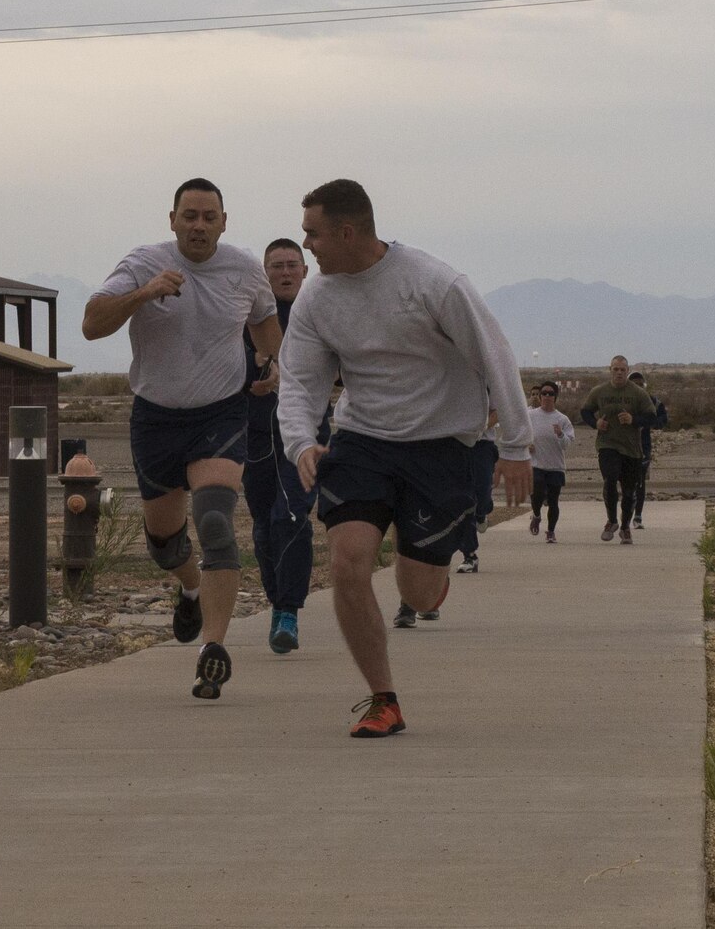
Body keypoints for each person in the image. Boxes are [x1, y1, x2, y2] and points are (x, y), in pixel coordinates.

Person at [277, 179, 531, 738]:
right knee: (347, 561)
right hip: (363, 441)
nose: (307, 247)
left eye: (312, 235)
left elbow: (496, 357)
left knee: (416, 589)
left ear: (346, 232)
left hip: (440, 448)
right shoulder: (318, 298)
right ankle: (382, 699)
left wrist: (514, 447)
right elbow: (298, 378)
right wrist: (301, 441)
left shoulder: (432, 283)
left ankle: (430, 575)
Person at [83, 177, 280, 700]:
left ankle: (212, 649)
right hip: (156, 419)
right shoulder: (144, 262)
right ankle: (190, 587)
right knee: (165, 544)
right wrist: (143, 294)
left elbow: (264, 322)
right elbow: (90, 324)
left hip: (221, 413)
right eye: (189, 215)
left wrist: (272, 359)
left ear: (223, 222)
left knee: (215, 521)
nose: (198, 225)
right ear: (172, 220)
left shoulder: (243, 268)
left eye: (208, 216)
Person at [241, 239, 331, 655]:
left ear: (305, 271)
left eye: (292, 264)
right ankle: (277, 602)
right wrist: (254, 384)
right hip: (257, 436)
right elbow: (227, 374)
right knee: (263, 526)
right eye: (276, 266)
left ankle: (290, 612)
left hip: (308, 436)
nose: (285, 272)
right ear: (265, 273)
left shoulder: (320, 315)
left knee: (292, 516)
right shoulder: (247, 319)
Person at [580, 356, 655, 544]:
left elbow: (652, 417)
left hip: (631, 449)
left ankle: (625, 527)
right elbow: (585, 411)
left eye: (622, 370)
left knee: (629, 492)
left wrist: (633, 420)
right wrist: (595, 423)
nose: (619, 373)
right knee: (610, 479)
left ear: (627, 371)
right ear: (610, 370)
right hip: (608, 444)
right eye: (616, 369)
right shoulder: (600, 391)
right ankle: (611, 520)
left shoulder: (638, 393)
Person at [452, 408, 499, 577]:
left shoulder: (488, 383)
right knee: (463, 499)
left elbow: (497, 412)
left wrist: (479, 427)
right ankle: (469, 555)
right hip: (457, 445)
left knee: (482, 494)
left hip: (483, 446)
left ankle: (482, 512)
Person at [526, 382, 574, 542]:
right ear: (539, 397)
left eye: (551, 394)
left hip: (555, 466)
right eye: (544, 393)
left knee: (553, 500)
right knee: (537, 490)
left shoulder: (562, 419)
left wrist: (560, 434)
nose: (547, 396)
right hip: (536, 464)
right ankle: (537, 514)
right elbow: (520, 434)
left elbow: (567, 444)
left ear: (555, 397)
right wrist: (526, 444)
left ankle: (551, 531)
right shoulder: (530, 416)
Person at [626, 371, 668, 528]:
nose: (637, 387)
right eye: (634, 384)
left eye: (640, 384)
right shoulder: (621, 400)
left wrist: (649, 422)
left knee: (640, 483)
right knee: (626, 483)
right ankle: (626, 514)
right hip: (622, 446)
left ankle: (637, 516)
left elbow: (663, 418)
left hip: (643, 447)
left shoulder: (653, 402)